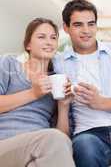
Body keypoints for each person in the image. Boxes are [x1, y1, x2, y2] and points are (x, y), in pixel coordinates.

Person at [53, 0, 111, 167]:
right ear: (66, 28)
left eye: (91, 24)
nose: (86, 31)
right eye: (78, 25)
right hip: (90, 136)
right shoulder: (58, 62)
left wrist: (101, 102)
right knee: (85, 148)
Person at [0, 18, 75, 167]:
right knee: (52, 139)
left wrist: (63, 106)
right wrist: (33, 93)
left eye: (53, 38)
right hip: (5, 144)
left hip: (40, 148)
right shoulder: (8, 64)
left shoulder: (57, 81)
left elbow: (63, 140)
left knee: (56, 144)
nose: (49, 42)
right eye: (41, 37)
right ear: (28, 45)